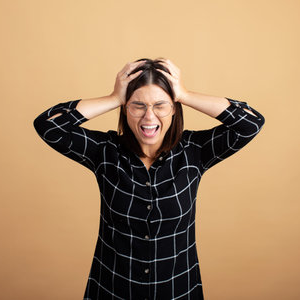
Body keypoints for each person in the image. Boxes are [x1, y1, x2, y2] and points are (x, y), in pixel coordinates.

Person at [33, 58, 265, 300]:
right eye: (138, 105)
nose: (149, 117)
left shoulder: (194, 151)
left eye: (160, 105)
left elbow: (250, 123)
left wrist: (185, 94)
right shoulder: (105, 151)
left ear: (174, 108)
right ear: (125, 108)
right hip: (113, 290)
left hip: (178, 291)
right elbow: (48, 126)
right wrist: (113, 98)